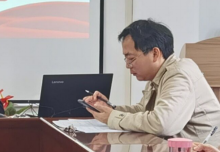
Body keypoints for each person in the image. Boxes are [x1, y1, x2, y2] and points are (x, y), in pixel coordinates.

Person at [84, 19, 220, 142]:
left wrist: (112, 117)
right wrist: (110, 109)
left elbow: (163, 123)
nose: (127, 65)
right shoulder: (159, 74)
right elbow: (143, 110)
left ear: (155, 53)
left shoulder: (179, 74)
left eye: (131, 58)